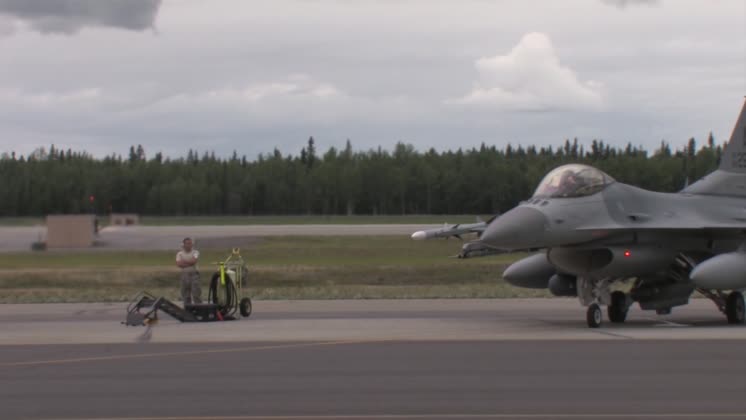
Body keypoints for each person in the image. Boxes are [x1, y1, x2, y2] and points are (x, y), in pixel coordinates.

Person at [176, 237, 201, 305]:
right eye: (187, 243)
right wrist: (189, 263)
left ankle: (199, 308)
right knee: (185, 294)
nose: (189, 245)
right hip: (184, 275)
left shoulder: (196, 252)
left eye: (190, 243)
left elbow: (194, 261)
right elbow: (179, 264)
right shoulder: (179, 254)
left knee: (196, 293)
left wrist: (184, 261)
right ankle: (188, 310)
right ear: (184, 245)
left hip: (194, 275)